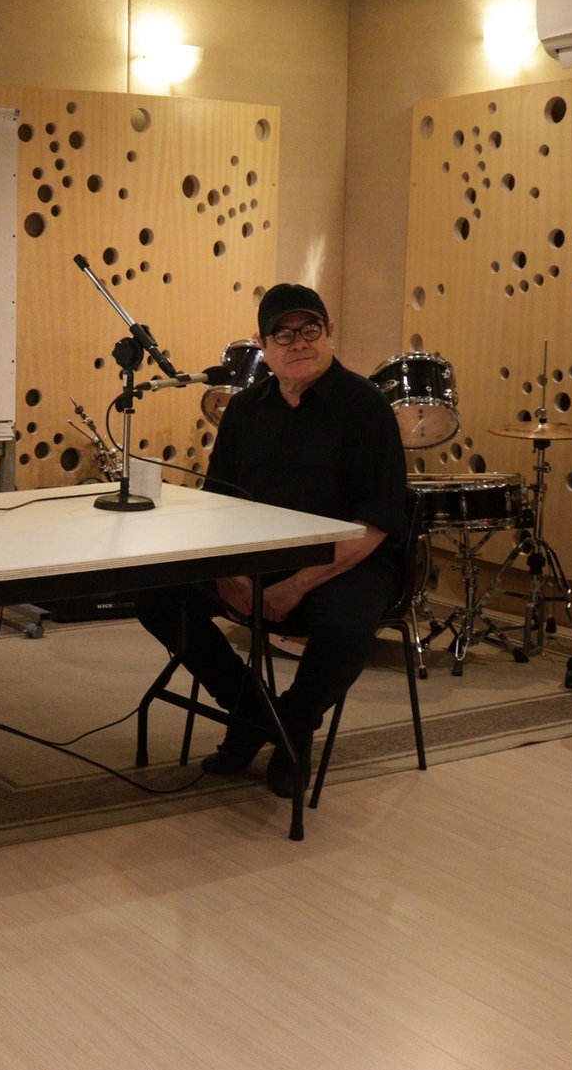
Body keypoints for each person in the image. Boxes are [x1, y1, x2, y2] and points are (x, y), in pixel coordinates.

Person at [134, 282, 408, 797]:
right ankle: (256, 716)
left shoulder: (366, 407)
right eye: (283, 335)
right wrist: (228, 575)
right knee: (156, 596)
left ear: (329, 335)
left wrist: (297, 586)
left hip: (347, 561)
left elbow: (378, 521)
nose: (298, 343)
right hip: (255, 559)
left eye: (309, 330)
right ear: (263, 346)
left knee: (346, 626)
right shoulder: (244, 410)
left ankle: (292, 729)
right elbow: (216, 505)